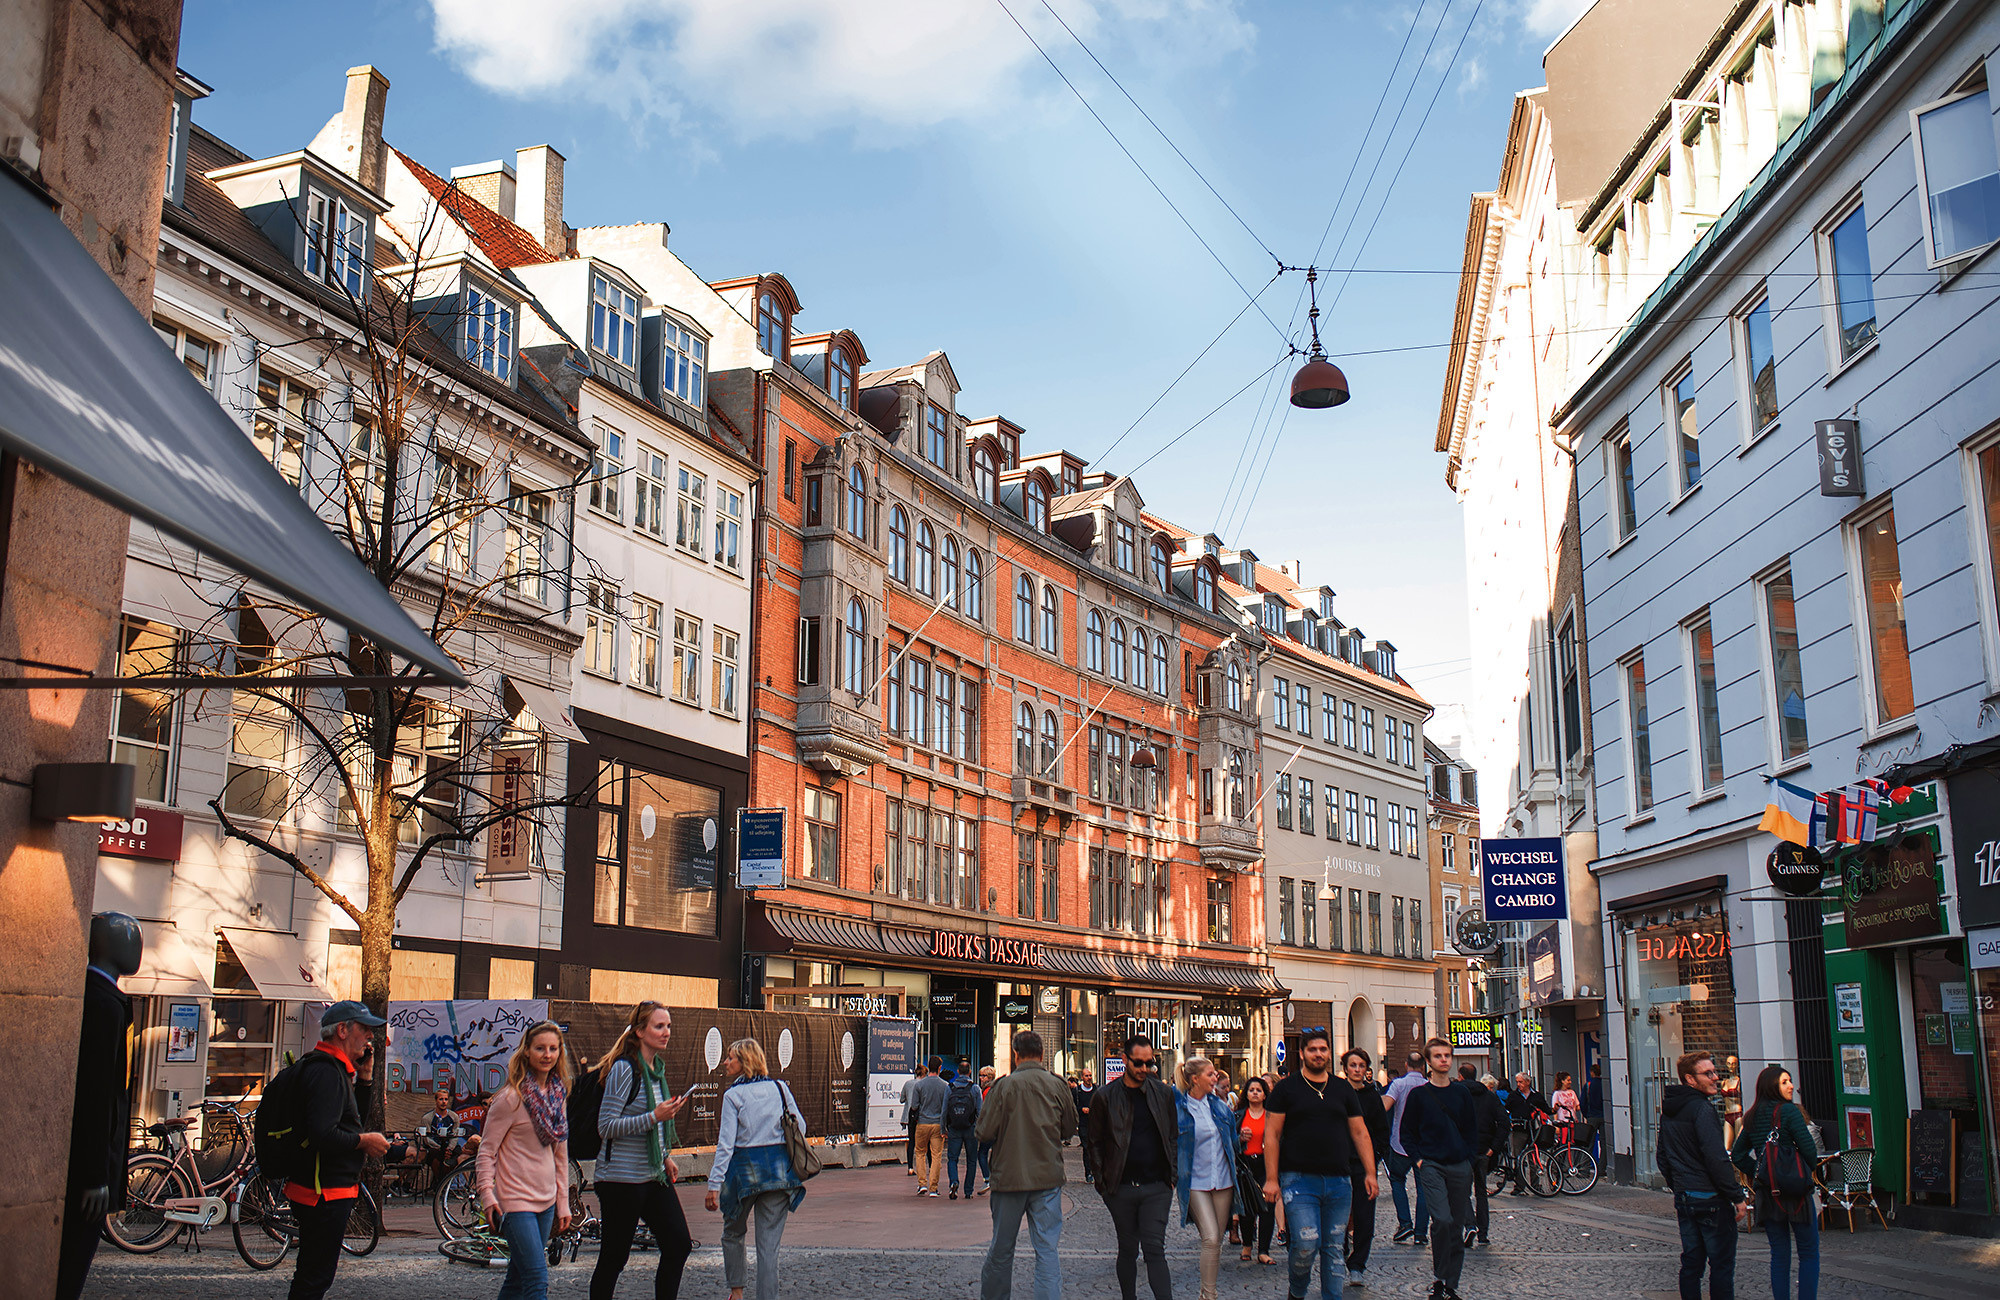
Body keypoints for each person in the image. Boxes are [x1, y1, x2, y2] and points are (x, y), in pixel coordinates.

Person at [284, 1001, 404, 1300]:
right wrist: (365, 1142)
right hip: (323, 1192)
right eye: (364, 1029)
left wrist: (364, 1079)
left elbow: (350, 1124)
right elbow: (325, 1134)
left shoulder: (332, 1069)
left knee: (312, 1273)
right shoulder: (326, 1073)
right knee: (315, 1278)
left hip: (323, 1189)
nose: (369, 1037)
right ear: (342, 1030)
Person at [1262, 1026, 1377, 1300]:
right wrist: (1271, 1178)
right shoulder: (1286, 1089)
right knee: (1305, 1243)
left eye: (1322, 1049)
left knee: (1334, 1248)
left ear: (1329, 1053)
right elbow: (1272, 1134)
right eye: (1312, 1049)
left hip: (1339, 1180)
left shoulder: (1342, 1089)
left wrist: (1371, 1172)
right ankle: (1297, 1291)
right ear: (1302, 1053)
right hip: (1298, 1179)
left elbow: (1360, 1132)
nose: (1318, 1054)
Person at [59, 912, 139, 1300]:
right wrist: (96, 1174)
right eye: (131, 938)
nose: (138, 947)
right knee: (71, 1262)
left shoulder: (93, 995)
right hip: (87, 1169)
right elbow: (97, 1095)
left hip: (84, 1163)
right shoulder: (102, 1003)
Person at [591, 1002, 694, 1300]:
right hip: (620, 1179)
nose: (666, 1033)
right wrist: (654, 1117)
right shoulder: (625, 1069)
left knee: (678, 1244)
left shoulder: (656, 1071)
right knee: (614, 1257)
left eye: (669, 1026)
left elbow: (655, 1127)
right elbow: (606, 1126)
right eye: (659, 1026)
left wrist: (664, 1156)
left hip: (652, 1175)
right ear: (639, 1031)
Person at [704, 1039, 807, 1300]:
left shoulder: (733, 1095)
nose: (725, 1062)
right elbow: (800, 1128)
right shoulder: (780, 1088)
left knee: (733, 1231)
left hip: (744, 1176)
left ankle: (737, 1291)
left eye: (730, 1058)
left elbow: (726, 1145)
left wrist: (714, 1185)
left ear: (745, 1062)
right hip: (779, 1174)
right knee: (769, 1247)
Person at [477, 1020, 573, 1300]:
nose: (547, 1054)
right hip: (515, 1201)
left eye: (553, 1048)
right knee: (536, 1276)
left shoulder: (557, 1096)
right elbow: (487, 1151)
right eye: (540, 1048)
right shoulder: (510, 1099)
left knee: (517, 1278)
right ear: (527, 1051)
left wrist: (563, 1202)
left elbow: (560, 1155)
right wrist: (487, 1196)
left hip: (546, 1201)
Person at [979, 1031, 1076, 1300]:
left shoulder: (1003, 1087)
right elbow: (1069, 1129)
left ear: (1016, 1055)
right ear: (1043, 1055)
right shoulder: (1058, 1086)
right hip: (1047, 1177)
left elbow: (984, 1132)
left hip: (1009, 1177)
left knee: (1001, 1249)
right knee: (1047, 1250)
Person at [1088, 1034, 1179, 1300]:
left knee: (1154, 1249)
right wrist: (1102, 1182)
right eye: (1138, 1063)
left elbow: (1172, 1136)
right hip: (1121, 1187)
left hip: (1157, 1187)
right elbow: (1094, 1142)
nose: (1144, 1069)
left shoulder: (1162, 1093)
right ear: (1125, 1059)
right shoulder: (1104, 1097)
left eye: (1149, 1063)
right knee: (1128, 1248)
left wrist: (1171, 1175)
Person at [1659, 1050, 1748, 1300]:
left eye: (1714, 1071)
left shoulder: (1670, 1110)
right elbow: (1716, 1157)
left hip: (1686, 1198)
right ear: (1690, 1079)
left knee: (1691, 1264)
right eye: (1707, 1073)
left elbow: (1662, 1157)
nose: (1715, 1077)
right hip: (1710, 1200)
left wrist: (1679, 1186)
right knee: (1721, 1266)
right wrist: (1736, 1195)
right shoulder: (1702, 1109)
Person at [1730, 1064, 1820, 1300]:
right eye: (1784, 1082)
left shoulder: (1751, 1116)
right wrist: (1802, 1171)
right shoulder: (1789, 1112)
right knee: (1809, 1252)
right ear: (1772, 1086)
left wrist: (1761, 1174)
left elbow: (1738, 1155)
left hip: (1768, 1194)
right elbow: (1810, 1150)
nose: (1791, 1086)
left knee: (1779, 1254)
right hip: (1796, 1191)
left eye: (1789, 1081)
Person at [1402, 1039, 1479, 1300]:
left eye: (1447, 1055)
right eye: (1438, 1056)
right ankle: (1438, 1276)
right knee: (1442, 1220)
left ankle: (1450, 1285)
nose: (1444, 1060)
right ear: (1429, 1062)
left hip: (1459, 1165)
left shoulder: (1461, 1094)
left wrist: (1469, 1158)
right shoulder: (1419, 1095)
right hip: (1432, 1164)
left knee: (1456, 1226)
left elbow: (1471, 1128)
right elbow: (1407, 1133)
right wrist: (1419, 1160)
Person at [1175, 1057, 1239, 1300]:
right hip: (1195, 1182)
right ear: (1195, 1079)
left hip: (1223, 1181)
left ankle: (1207, 1291)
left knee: (1216, 1241)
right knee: (1210, 1237)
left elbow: (1231, 1143)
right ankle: (1209, 1295)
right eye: (1211, 1074)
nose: (1216, 1078)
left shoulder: (1221, 1107)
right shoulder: (1179, 1108)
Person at [1340, 1047, 1389, 1285]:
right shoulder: (1337, 1094)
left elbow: (1381, 1130)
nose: (1357, 1069)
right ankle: (1338, 1256)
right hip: (1338, 1164)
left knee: (1364, 1217)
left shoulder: (1372, 1096)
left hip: (1363, 1165)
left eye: (1361, 1065)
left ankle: (1357, 1263)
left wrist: (1375, 1156)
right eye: (1353, 1065)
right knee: (1337, 1215)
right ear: (1345, 1068)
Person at [1383, 1050, 1429, 1244]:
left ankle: (1405, 1224)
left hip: (1400, 1143)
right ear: (1424, 1067)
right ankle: (1420, 1233)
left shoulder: (1398, 1084)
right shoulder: (1429, 1086)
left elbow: (1384, 1107)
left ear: (1406, 1065)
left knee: (1397, 1180)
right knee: (1423, 1189)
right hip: (1424, 1146)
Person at [1232, 1077, 1276, 1265]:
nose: (1255, 1093)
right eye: (1251, 1090)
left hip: (1266, 1164)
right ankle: (1247, 1245)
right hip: (1246, 1165)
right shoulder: (1239, 1115)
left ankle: (1264, 1250)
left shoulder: (1271, 1116)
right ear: (1246, 1094)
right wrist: (1240, 1139)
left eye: (1259, 1090)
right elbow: (1229, 1142)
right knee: (1247, 1208)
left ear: (1265, 1093)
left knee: (1267, 1207)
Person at [1464, 1071, 1506, 1247]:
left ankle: (1470, 1225)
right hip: (1483, 1151)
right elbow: (1505, 1122)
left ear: (1461, 1077)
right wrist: (1493, 1148)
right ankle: (1483, 1233)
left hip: (1464, 1151)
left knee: (1462, 1192)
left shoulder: (1459, 1095)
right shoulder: (1490, 1097)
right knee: (1481, 1192)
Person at [1503, 1073, 1551, 1195]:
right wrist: (1509, 1121)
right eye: (1517, 1082)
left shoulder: (1536, 1096)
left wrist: (1554, 1110)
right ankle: (1519, 1186)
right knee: (1518, 1158)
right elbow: (1506, 1109)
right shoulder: (1514, 1096)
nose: (1518, 1085)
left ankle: (1535, 1185)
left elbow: (1546, 1109)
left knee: (1533, 1158)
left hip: (1533, 1130)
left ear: (1528, 1082)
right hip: (1519, 1130)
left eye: (1521, 1082)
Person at [946, 1063, 985, 1199]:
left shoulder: (950, 1088)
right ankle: (968, 1191)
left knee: (952, 1158)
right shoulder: (975, 1088)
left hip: (954, 1128)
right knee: (971, 1160)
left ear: (957, 1071)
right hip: (970, 1128)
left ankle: (954, 1182)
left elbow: (945, 1109)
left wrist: (943, 1128)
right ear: (969, 1072)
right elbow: (980, 1111)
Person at [902, 1060, 929, 1176]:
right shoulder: (924, 1084)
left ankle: (910, 1167)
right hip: (921, 1116)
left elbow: (902, 1099)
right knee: (925, 1143)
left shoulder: (908, 1084)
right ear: (924, 1074)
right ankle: (931, 1165)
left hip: (909, 1116)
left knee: (911, 1141)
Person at [1072, 1069, 1098, 1182]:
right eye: (1087, 1076)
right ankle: (1089, 1172)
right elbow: (1072, 1106)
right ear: (1082, 1077)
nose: (1089, 1078)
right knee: (1087, 1148)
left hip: (1095, 1123)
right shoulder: (1077, 1091)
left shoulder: (1096, 1090)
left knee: (1095, 1148)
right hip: (1083, 1123)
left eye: (1090, 1075)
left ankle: (1096, 1171)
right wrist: (1081, 1109)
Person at [977, 1065, 999, 1195]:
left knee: (982, 1153)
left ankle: (987, 1179)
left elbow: (984, 1111)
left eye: (983, 1076)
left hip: (990, 1126)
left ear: (989, 1078)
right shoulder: (997, 1089)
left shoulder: (986, 1091)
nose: (981, 1078)